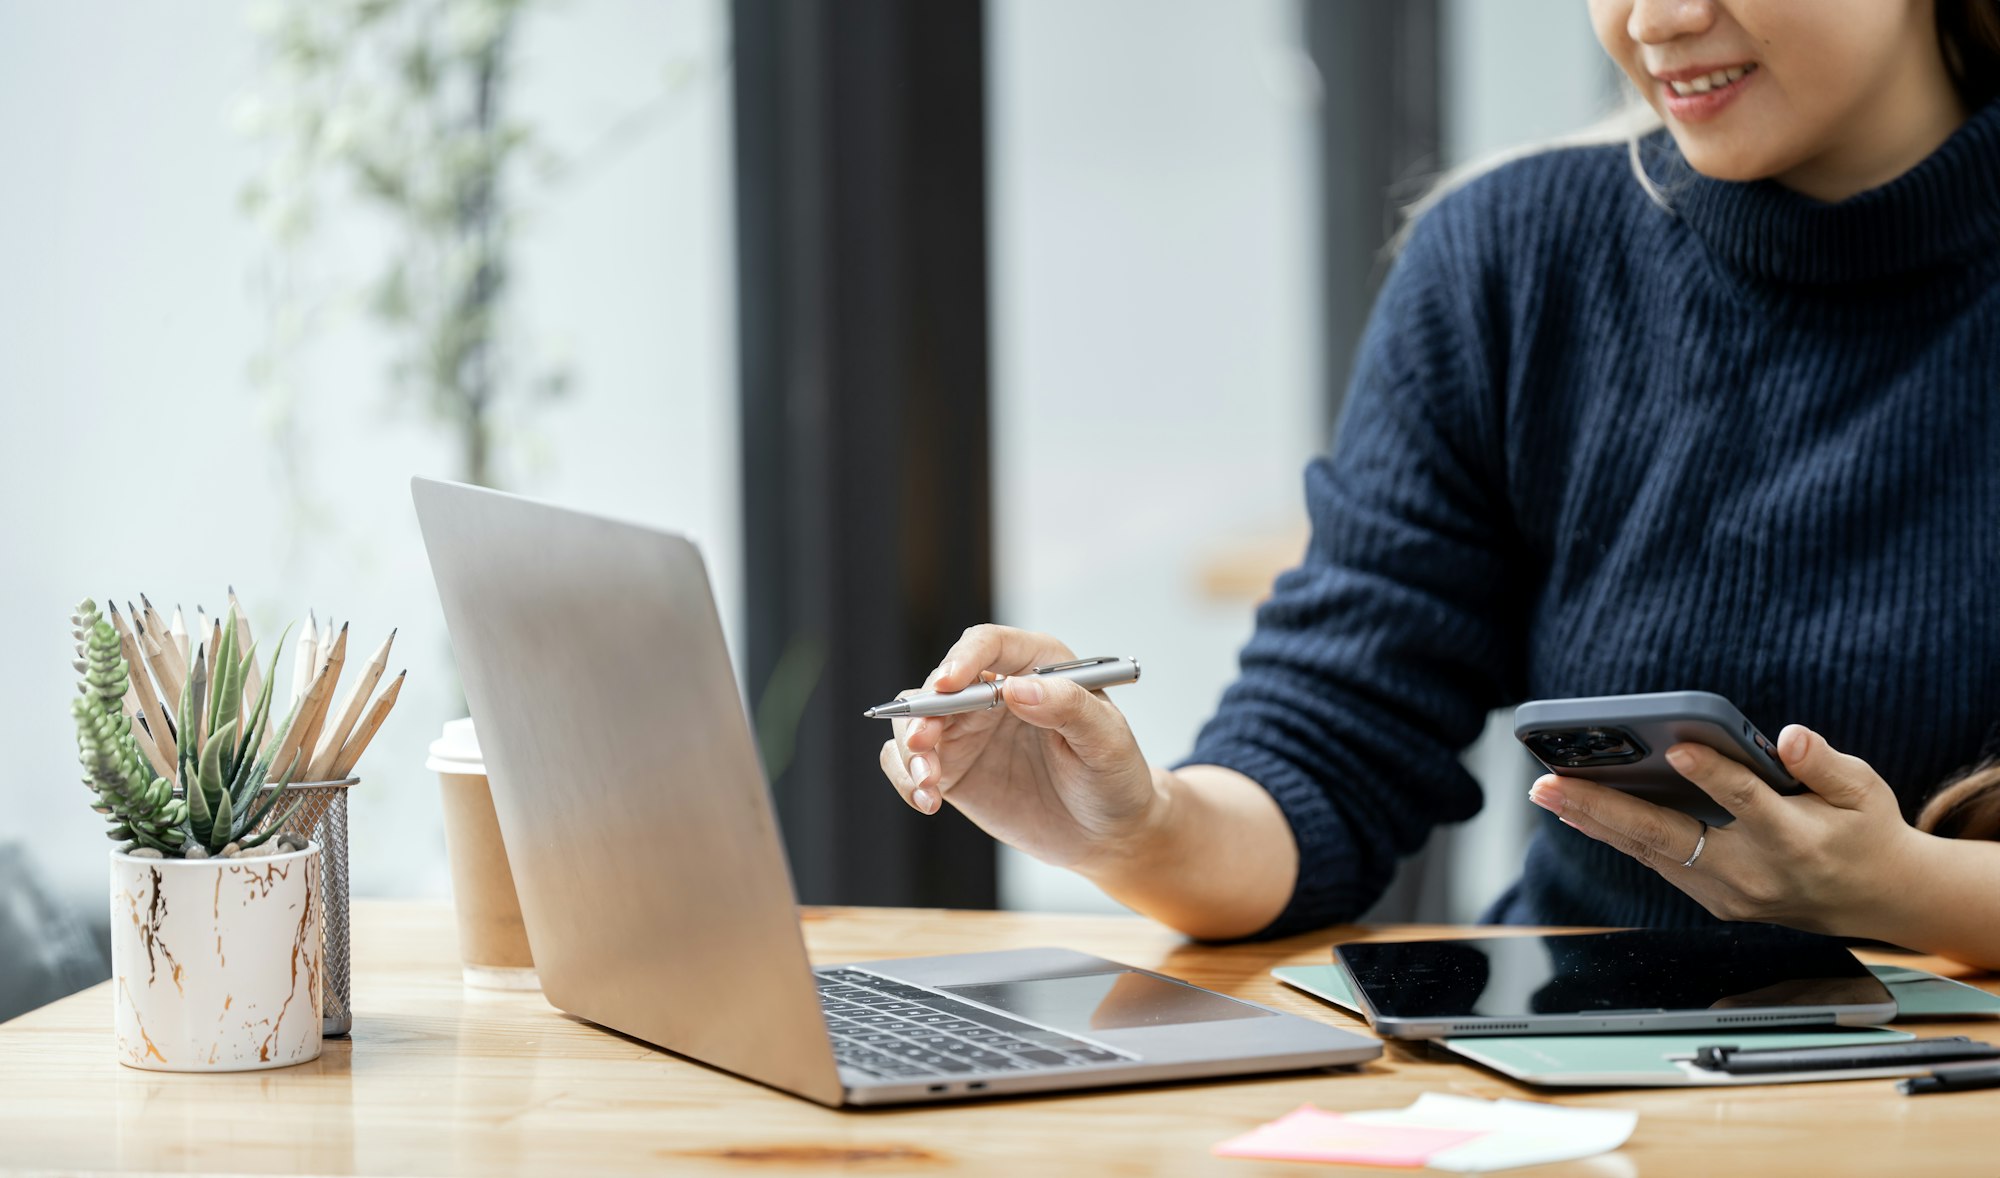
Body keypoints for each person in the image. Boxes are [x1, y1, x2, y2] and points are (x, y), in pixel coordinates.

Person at [879, 0, 2000, 969]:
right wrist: (1128, 823)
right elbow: (1333, 744)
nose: (1652, 21)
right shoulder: (1510, 259)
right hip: (1587, 1087)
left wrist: (1897, 887)